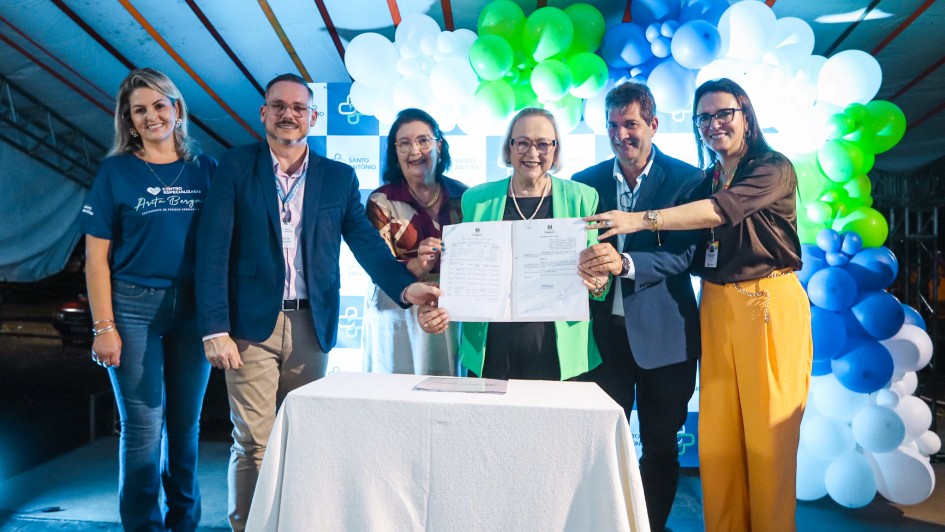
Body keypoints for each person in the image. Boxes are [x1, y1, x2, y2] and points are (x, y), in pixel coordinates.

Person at [194, 73, 440, 531]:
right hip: (250, 327)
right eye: (278, 106)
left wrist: (406, 289)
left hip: (312, 326)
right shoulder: (236, 166)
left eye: (298, 107)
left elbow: (366, 244)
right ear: (264, 113)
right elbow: (212, 249)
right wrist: (214, 327)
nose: (288, 114)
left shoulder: (337, 177)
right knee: (254, 444)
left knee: (304, 440)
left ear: (313, 116)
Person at [585, 78, 813, 532]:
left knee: (768, 438)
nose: (713, 124)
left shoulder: (770, 169)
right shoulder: (706, 176)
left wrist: (638, 225)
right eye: (704, 117)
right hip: (715, 305)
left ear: (746, 115)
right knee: (717, 443)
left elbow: (714, 215)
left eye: (723, 113)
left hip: (766, 304)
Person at [82, 68, 216, 531]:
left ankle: (184, 523)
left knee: (185, 429)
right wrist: (104, 327)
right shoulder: (115, 171)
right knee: (142, 431)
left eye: (159, 105)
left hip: (194, 310)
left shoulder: (206, 169)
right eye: (139, 110)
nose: (151, 116)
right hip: (133, 310)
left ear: (176, 109)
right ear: (129, 120)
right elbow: (95, 259)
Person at [573, 82, 703, 532]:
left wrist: (625, 264)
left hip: (667, 341)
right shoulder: (584, 182)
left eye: (630, 124)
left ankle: (650, 526)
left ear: (653, 124)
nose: (620, 135)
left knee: (661, 447)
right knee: (599, 445)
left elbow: (686, 254)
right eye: (612, 125)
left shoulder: (688, 179)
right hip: (601, 340)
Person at [420, 107, 607, 381]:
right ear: (509, 148)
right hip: (491, 349)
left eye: (542, 144)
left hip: (558, 352)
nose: (532, 153)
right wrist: (440, 271)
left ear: (555, 149)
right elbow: (465, 271)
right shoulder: (476, 199)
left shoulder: (583, 197)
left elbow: (598, 284)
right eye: (522, 143)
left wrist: (599, 281)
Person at [362, 108, 467, 375]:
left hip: (449, 311)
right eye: (404, 143)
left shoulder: (464, 196)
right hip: (397, 313)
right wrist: (418, 265)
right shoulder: (381, 201)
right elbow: (380, 267)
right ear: (395, 153)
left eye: (423, 140)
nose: (415, 150)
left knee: (450, 389)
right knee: (394, 390)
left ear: (439, 146)